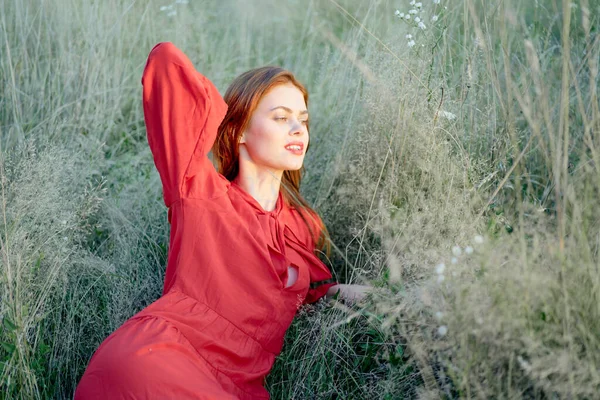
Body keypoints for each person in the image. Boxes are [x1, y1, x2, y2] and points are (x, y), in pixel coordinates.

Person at [74, 42, 372, 400]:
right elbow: (165, 62)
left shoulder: (303, 225)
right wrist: (221, 118)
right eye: (281, 117)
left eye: (303, 119)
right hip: (160, 360)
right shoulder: (201, 193)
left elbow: (287, 295)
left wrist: (338, 292)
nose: (297, 128)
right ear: (239, 131)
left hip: (236, 384)